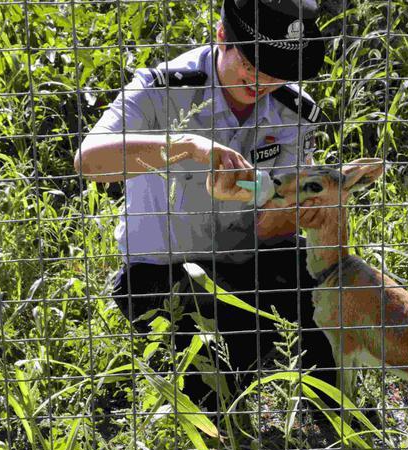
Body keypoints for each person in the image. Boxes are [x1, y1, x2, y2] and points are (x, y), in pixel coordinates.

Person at [74, 0, 337, 412]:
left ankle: (335, 416)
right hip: (163, 275)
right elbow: (89, 162)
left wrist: (287, 208)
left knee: (325, 288)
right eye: (252, 62)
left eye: (276, 70)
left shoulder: (294, 110)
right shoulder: (164, 89)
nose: (262, 79)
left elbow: (276, 229)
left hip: (248, 264)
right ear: (222, 37)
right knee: (212, 383)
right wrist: (186, 148)